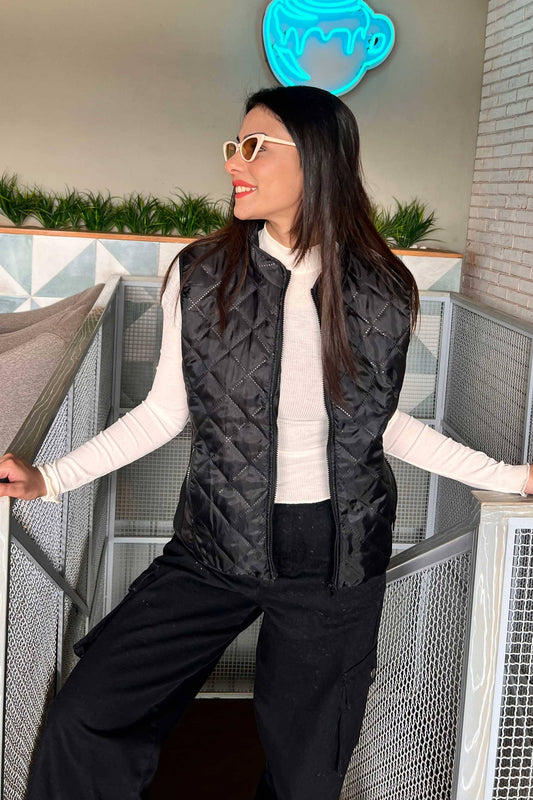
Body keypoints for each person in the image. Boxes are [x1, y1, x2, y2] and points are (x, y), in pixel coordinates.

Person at [1, 85, 531, 800]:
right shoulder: (200, 274)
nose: (233, 163)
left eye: (254, 147)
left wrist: (511, 477)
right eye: (234, 146)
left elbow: (379, 426)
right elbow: (162, 414)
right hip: (214, 544)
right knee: (86, 717)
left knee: (306, 774)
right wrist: (49, 479)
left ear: (315, 158)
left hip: (335, 561)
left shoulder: (384, 288)